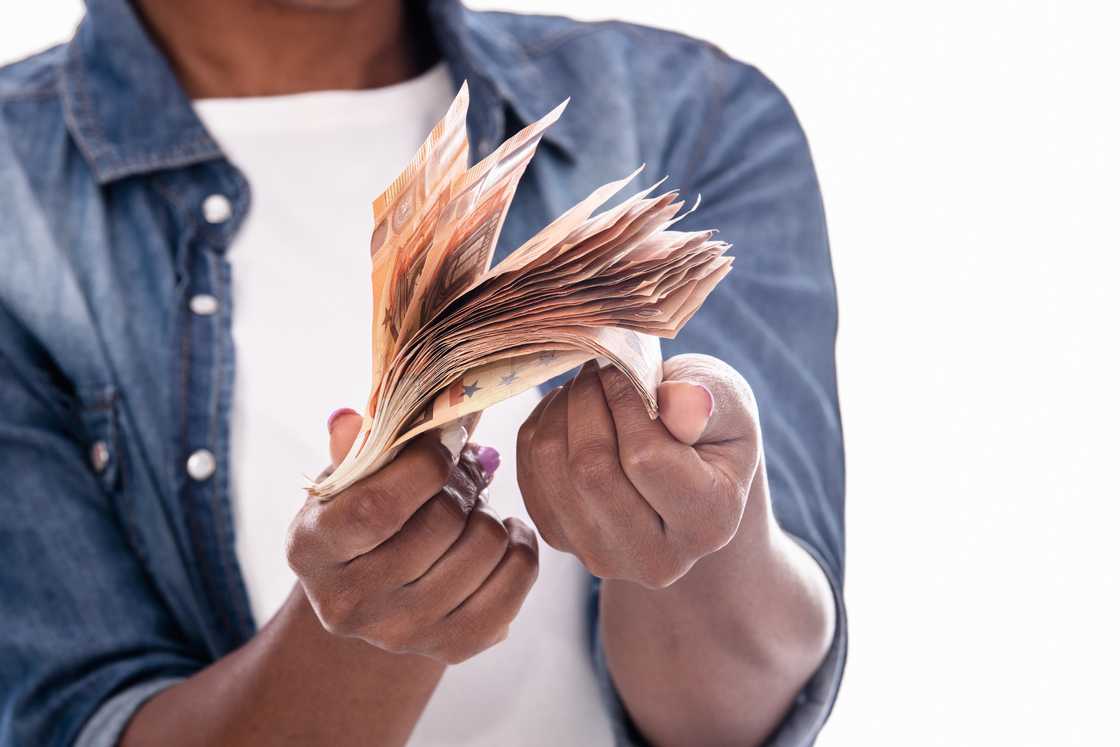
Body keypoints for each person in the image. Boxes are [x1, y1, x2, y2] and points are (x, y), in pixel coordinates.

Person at [0, 0, 846, 744]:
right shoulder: (16, 197)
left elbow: (733, 718)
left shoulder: (691, 115)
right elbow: (79, 714)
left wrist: (710, 530)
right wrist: (357, 634)